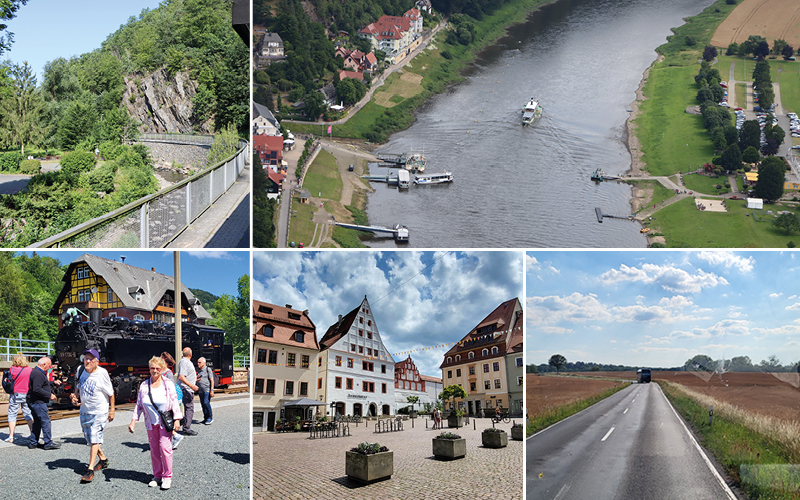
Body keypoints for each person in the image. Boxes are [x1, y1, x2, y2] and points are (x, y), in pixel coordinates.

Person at [129, 357, 183, 490]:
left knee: (165, 448)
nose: (154, 371)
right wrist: (133, 421)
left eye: (157, 368)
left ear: (161, 369)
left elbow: (175, 401)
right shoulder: (144, 385)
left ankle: (167, 476)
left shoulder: (168, 384)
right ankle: (157, 475)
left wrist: (177, 419)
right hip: (150, 422)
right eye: (152, 368)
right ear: (149, 369)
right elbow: (139, 405)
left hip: (165, 422)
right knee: (154, 450)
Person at [71, 349, 115, 483]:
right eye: (85, 358)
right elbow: (78, 386)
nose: (87, 361)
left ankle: (89, 470)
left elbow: (111, 392)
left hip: (99, 411)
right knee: (90, 439)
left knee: (95, 437)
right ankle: (103, 459)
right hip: (85, 410)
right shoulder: (81, 370)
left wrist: (112, 410)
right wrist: (75, 396)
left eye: (90, 359)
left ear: (97, 362)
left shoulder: (102, 373)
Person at [27, 356, 61, 449]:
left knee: (37, 422)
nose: (50, 368)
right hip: (38, 402)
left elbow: (42, 384)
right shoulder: (38, 374)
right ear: (44, 364)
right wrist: (49, 395)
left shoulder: (37, 372)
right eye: (49, 365)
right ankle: (48, 442)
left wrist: (53, 382)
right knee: (45, 421)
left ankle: (33, 442)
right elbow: (37, 389)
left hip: (33, 401)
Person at [5, 354, 33, 443]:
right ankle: (33, 434)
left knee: (12, 414)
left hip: (15, 394)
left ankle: (11, 436)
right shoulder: (29, 370)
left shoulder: (12, 369)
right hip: (27, 394)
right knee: (28, 413)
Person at [160, 352, 183, 450]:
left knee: (164, 420)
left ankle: (175, 436)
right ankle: (172, 437)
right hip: (161, 398)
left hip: (166, 400)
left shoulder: (168, 373)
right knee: (163, 421)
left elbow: (171, 388)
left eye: (161, 358)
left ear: (165, 361)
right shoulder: (161, 371)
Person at [177, 347, 198, 436]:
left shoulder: (186, 362)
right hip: (186, 389)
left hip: (187, 389)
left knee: (188, 408)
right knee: (189, 408)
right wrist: (192, 385)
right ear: (190, 353)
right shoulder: (184, 362)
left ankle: (184, 425)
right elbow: (181, 377)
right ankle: (186, 428)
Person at [196, 357, 214, 425]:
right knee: (203, 404)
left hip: (207, 390)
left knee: (206, 402)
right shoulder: (199, 370)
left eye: (199, 362)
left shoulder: (208, 369)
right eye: (198, 362)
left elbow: (212, 380)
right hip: (200, 390)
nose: (198, 364)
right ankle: (205, 418)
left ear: (204, 363)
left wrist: (212, 390)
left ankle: (210, 417)